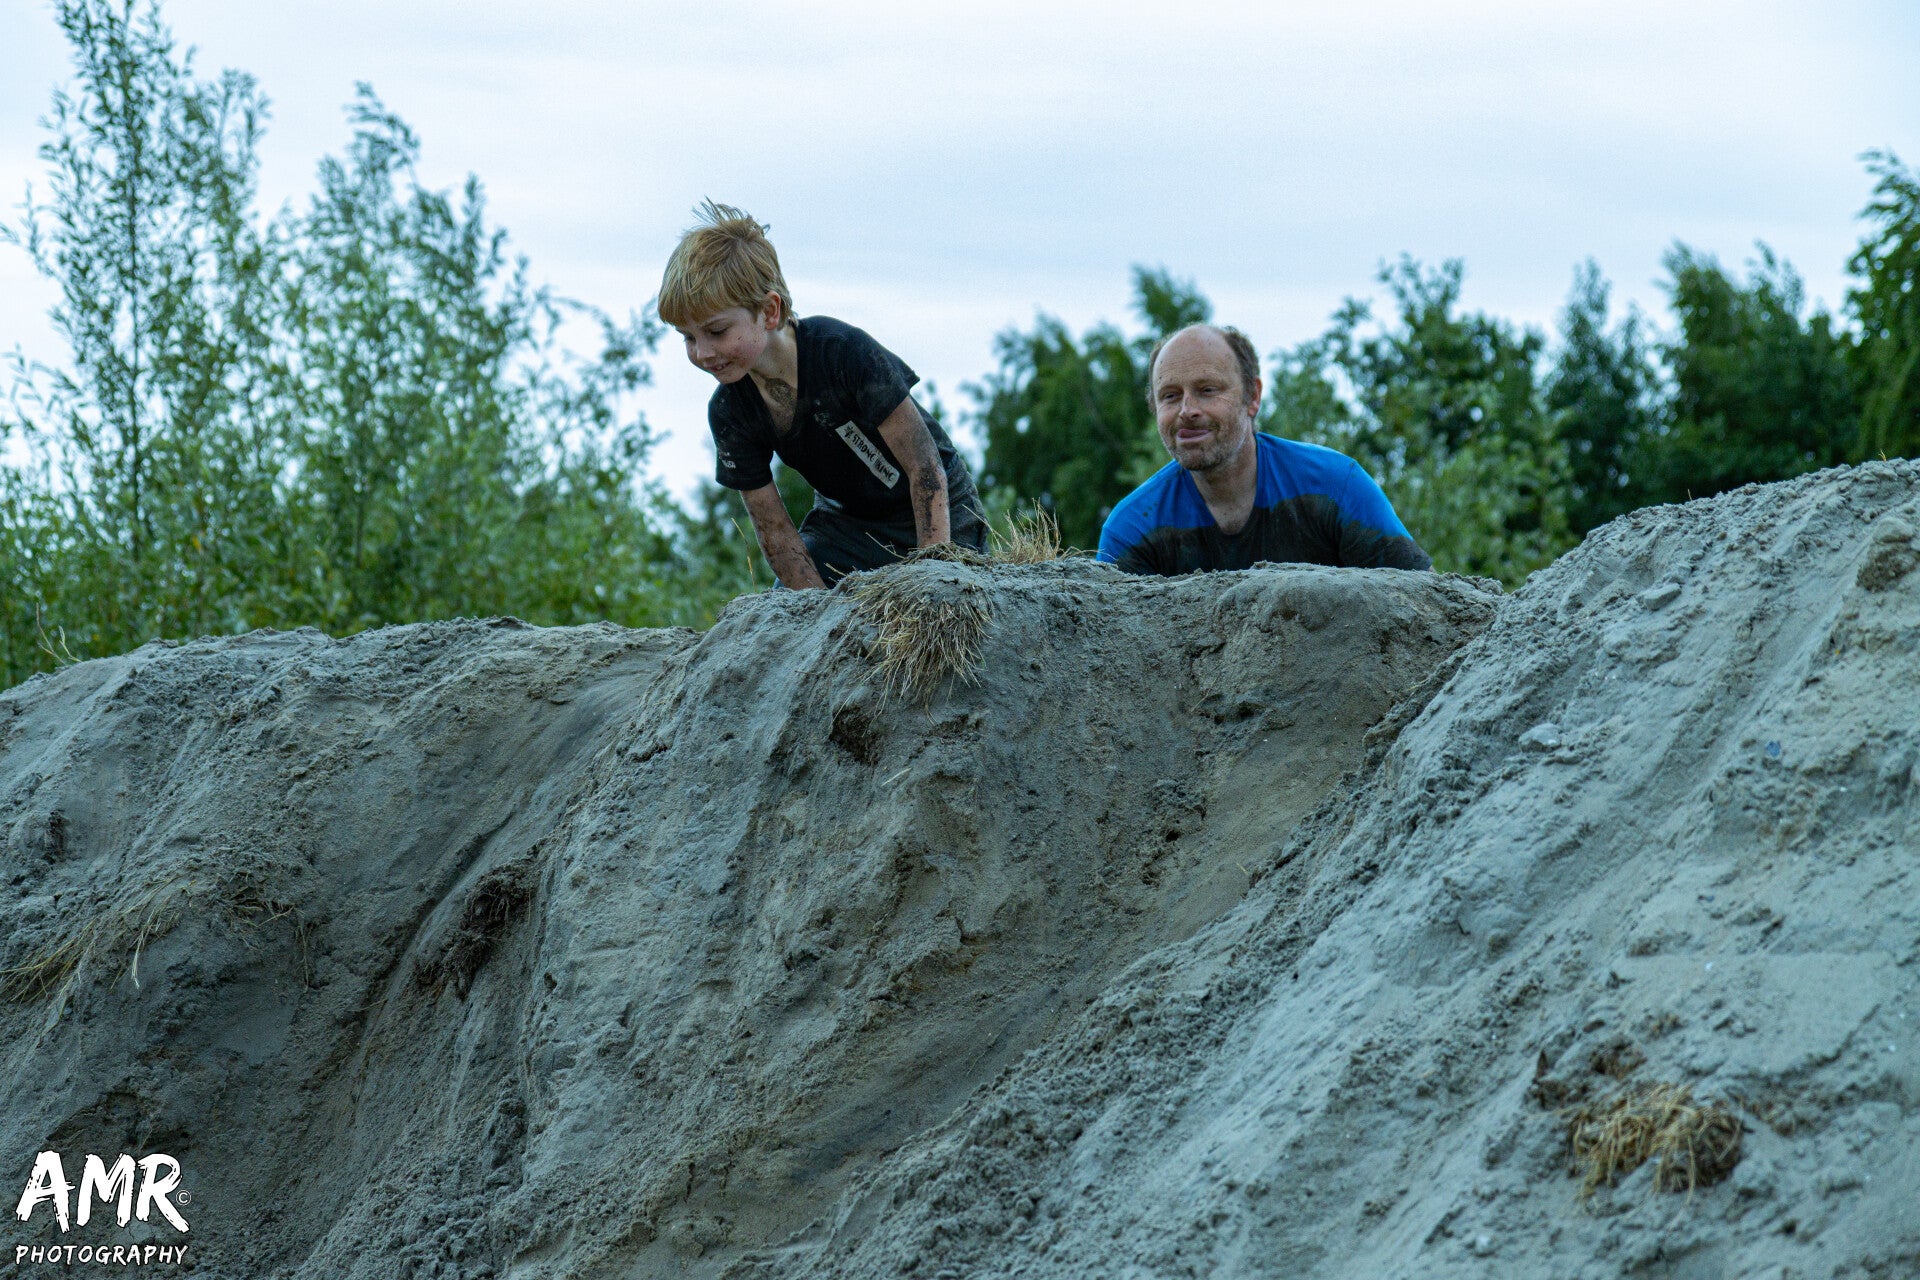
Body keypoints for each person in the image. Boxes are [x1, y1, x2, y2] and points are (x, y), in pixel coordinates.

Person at [658, 202, 987, 588]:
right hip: (847, 528)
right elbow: (773, 529)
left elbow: (925, 466)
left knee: (940, 600)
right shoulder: (730, 412)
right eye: (688, 337)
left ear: (769, 311)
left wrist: (931, 575)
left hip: (939, 513)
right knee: (787, 608)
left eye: (716, 332)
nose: (702, 353)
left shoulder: (843, 353)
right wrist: (817, 613)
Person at [1098, 324, 1431, 575]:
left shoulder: (1335, 487)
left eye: (1207, 390)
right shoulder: (1133, 529)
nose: (1187, 410)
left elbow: (1429, 605)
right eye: (1170, 396)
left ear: (1253, 396)